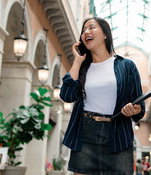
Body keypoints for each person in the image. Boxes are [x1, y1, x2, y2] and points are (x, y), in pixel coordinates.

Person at [60, 17, 145, 175]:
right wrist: (77, 61)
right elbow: (67, 95)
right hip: (85, 133)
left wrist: (132, 110)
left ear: (105, 34)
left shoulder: (126, 66)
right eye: (84, 30)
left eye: (91, 27)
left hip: (118, 134)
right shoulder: (83, 68)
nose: (86, 32)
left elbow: (140, 108)